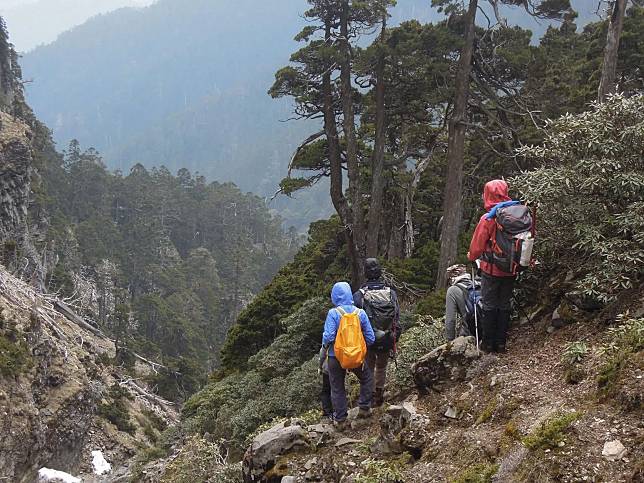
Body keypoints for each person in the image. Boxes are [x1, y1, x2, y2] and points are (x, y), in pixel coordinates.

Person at [467, 179, 517, 353]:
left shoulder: (488, 218)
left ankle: (488, 344)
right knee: (504, 304)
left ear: (487, 194)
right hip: (511, 268)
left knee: (489, 304)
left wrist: (471, 256)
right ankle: (501, 342)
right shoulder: (517, 214)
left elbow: (477, 247)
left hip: (491, 269)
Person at [322, 281, 375, 428]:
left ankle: (341, 421)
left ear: (334, 296)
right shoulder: (360, 313)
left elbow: (328, 337)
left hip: (335, 356)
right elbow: (371, 338)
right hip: (356, 356)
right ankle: (364, 408)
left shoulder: (333, 313)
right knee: (367, 378)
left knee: (337, 387)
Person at [353, 258, 400, 407]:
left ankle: (369, 396)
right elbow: (396, 315)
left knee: (368, 367)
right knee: (381, 366)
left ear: (365, 273)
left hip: (368, 339)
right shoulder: (390, 292)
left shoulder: (360, 295)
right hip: (387, 337)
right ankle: (379, 395)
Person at [444, 263, 479, 342]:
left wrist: (450, 342)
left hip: (471, 331)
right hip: (489, 329)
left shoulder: (452, 290)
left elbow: (450, 320)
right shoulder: (476, 284)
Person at [318, 344, 333, 421]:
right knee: (338, 388)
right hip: (341, 366)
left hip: (328, 367)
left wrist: (320, 367)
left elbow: (322, 353)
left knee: (326, 390)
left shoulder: (329, 335)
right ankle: (339, 411)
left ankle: (327, 412)